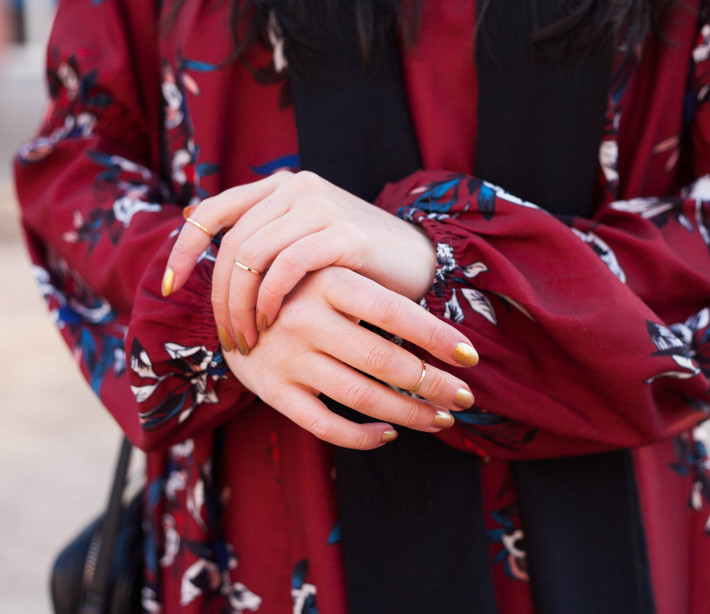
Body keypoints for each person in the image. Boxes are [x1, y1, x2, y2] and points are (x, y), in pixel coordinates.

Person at [14, 0, 710, 612]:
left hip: (603, 511)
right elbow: (79, 159)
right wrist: (234, 292)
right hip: (269, 510)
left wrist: (442, 263)